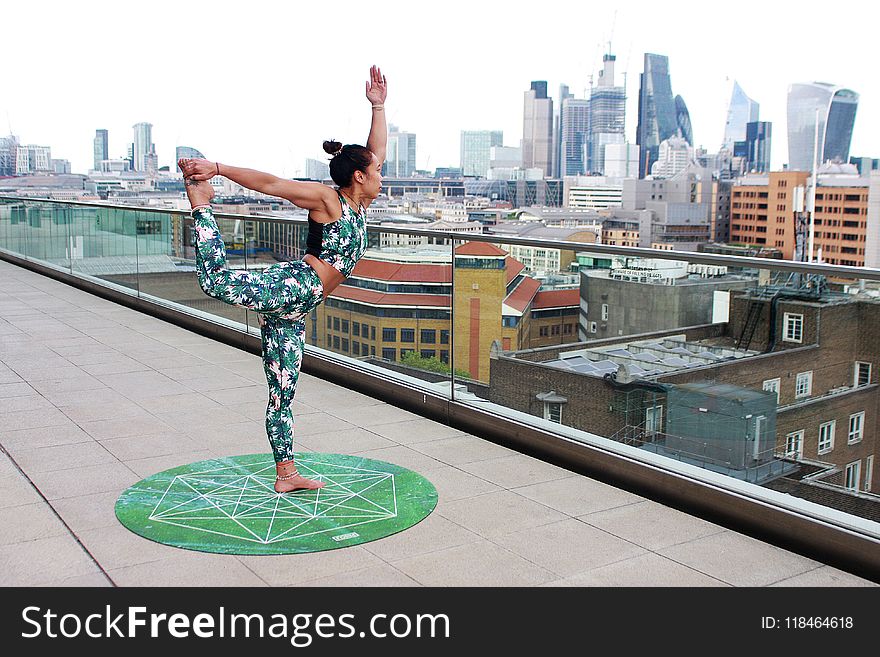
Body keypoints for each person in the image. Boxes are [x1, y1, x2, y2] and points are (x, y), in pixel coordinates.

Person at [179, 65, 387, 493]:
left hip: (297, 309)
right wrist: (216, 168)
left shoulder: (360, 204)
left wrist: (379, 106)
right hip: (295, 286)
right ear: (360, 177)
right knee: (216, 283)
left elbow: (375, 150)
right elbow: (273, 184)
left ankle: (286, 474)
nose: (382, 174)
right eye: (376, 171)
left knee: (283, 388)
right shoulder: (329, 200)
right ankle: (200, 204)